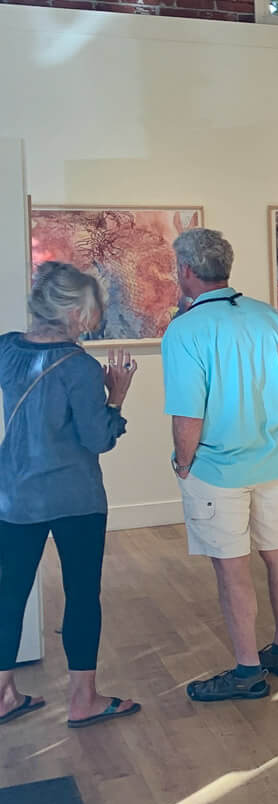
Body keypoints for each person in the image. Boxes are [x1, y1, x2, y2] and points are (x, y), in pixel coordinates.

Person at [163, 228, 278, 703]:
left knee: (231, 569)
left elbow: (188, 413)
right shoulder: (270, 318)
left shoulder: (184, 330)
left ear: (186, 271)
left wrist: (182, 463)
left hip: (218, 470)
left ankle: (248, 671)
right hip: (275, 461)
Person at [0, 264, 142, 729]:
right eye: (90, 309)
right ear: (75, 311)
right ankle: (83, 699)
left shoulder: (7, 348)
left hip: (15, 495)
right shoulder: (79, 367)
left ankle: (3, 695)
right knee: (82, 594)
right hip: (75, 498)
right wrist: (116, 396)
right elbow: (98, 439)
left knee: (8, 593)